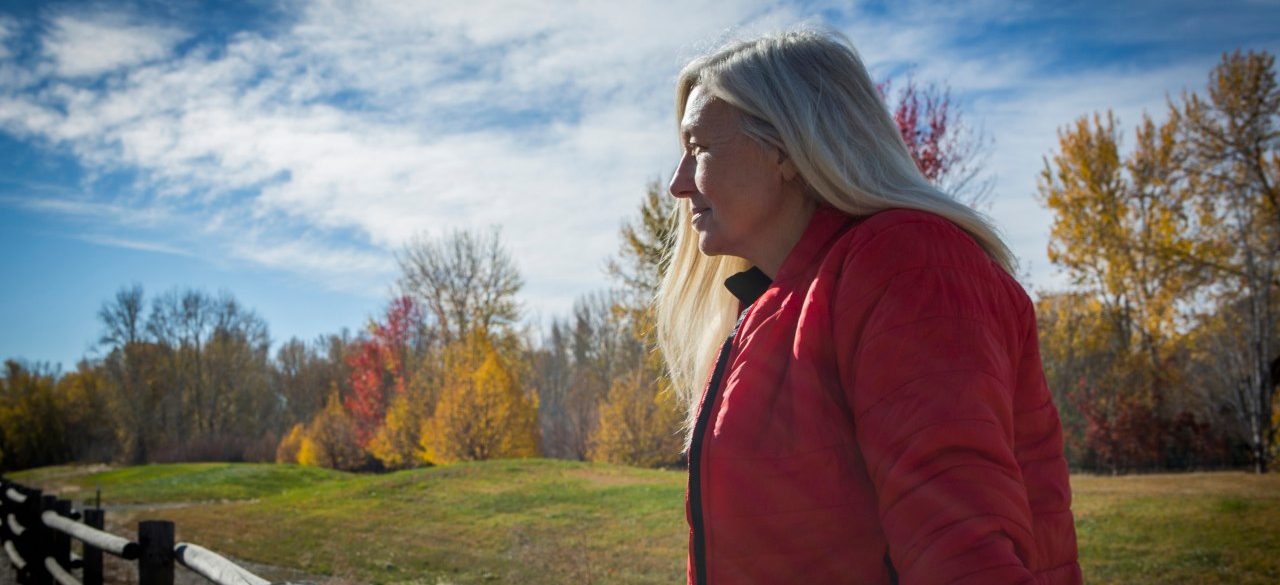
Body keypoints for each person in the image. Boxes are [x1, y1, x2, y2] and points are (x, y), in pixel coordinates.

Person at [657, 29, 1081, 585]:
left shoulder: (909, 268)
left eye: (698, 148)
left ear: (784, 148)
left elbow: (963, 554)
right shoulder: (775, 302)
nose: (677, 184)